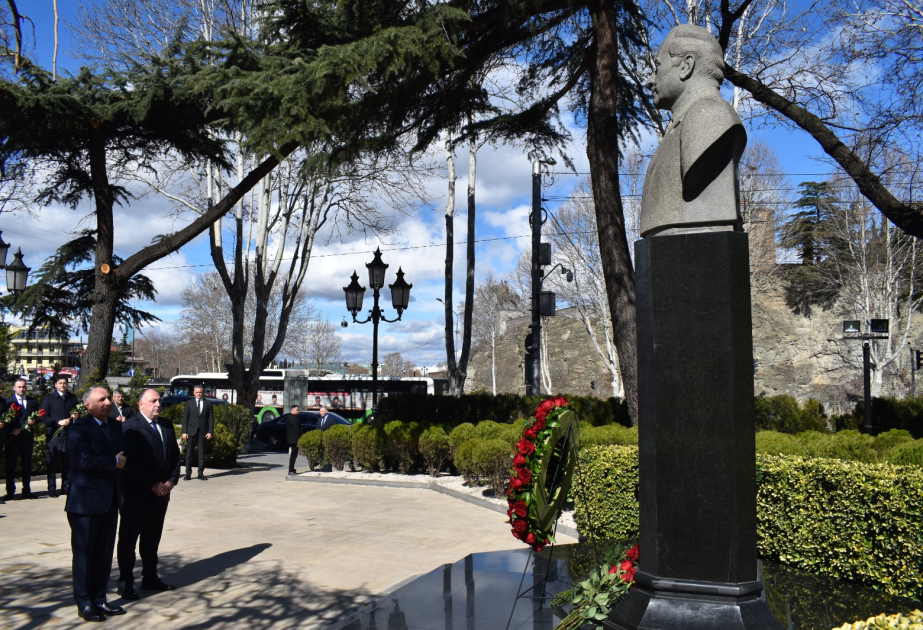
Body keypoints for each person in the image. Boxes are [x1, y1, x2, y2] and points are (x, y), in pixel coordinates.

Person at [640, 24, 746, 238]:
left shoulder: (710, 116)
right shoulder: (681, 125)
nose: (649, 81)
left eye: (657, 67)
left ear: (686, 66)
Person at [65, 386, 127, 622]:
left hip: (110, 501)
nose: (108, 402)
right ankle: (84, 602)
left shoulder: (114, 426)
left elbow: (122, 461)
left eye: (109, 398)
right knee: (84, 556)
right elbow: (83, 460)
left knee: (103, 553)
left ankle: (100, 598)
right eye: (101, 399)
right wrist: (113, 461)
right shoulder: (78, 428)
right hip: (85, 503)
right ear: (88, 405)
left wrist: (119, 491)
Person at [117, 389, 180, 600]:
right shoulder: (130, 427)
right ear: (140, 404)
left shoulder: (167, 426)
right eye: (153, 401)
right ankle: (125, 583)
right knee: (128, 540)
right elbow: (130, 464)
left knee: (152, 540)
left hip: (161, 495)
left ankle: (150, 577)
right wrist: (153, 484)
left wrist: (171, 480)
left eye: (159, 400)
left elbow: (174, 458)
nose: (158, 404)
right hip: (136, 495)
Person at [41, 374, 80, 497]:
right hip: (54, 435)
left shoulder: (73, 398)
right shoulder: (49, 399)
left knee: (67, 463)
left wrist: (76, 418)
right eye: (60, 383)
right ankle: (52, 488)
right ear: (55, 385)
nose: (63, 385)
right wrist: (57, 422)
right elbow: (43, 417)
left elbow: (77, 414)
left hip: (68, 434)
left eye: (65, 383)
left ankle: (65, 486)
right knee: (51, 463)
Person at [4, 378, 40, 500]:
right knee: (11, 465)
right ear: (14, 388)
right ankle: (10, 492)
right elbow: (3, 421)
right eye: (19, 387)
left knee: (26, 465)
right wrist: (10, 431)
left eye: (24, 387)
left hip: (27, 439)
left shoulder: (32, 401)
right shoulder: (7, 402)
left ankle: (27, 490)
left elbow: (39, 417)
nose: (22, 389)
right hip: (12, 439)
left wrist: (34, 421)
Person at [181, 386, 214, 481]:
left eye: (200, 392)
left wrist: (210, 432)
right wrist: (184, 432)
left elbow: (211, 419)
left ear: (203, 392)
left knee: (202, 454)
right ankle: (188, 474)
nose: (199, 394)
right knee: (189, 454)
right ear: (193, 393)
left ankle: (200, 473)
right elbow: (185, 419)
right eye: (197, 392)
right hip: (191, 431)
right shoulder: (189, 403)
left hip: (203, 432)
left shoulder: (208, 403)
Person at [283, 405, 303, 474]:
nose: (298, 411)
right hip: (294, 440)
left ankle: (292, 469)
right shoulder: (293, 419)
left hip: (292, 440)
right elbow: (296, 430)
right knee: (293, 455)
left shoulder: (290, 417)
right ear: (293, 410)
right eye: (297, 410)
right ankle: (290, 470)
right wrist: (299, 440)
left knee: (294, 455)